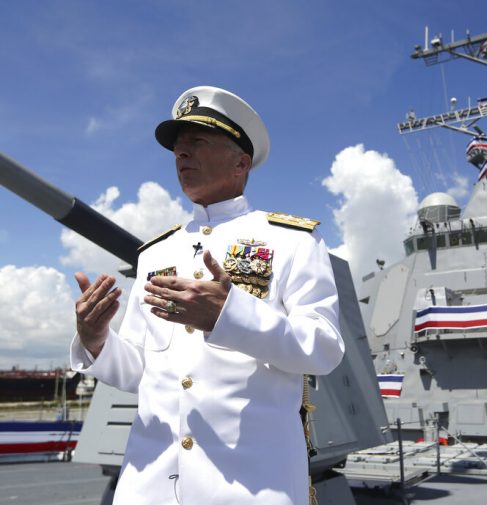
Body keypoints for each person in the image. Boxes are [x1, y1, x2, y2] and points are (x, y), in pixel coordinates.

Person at [71, 86, 345, 505]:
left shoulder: (293, 242)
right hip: (150, 488)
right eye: (178, 148)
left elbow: (324, 350)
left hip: (251, 489)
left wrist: (229, 316)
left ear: (241, 162)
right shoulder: (155, 253)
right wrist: (96, 341)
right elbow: (140, 372)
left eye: (196, 142)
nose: (181, 155)